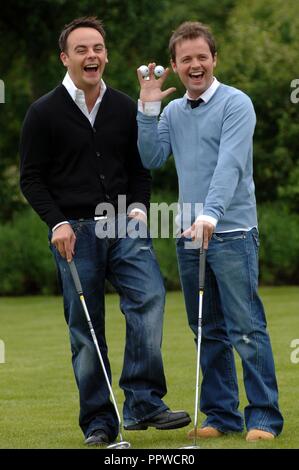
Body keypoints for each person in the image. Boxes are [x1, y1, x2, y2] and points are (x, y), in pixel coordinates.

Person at [20, 16, 190, 447]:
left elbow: (139, 170)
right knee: (85, 327)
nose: (91, 55)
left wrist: (136, 208)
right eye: (81, 49)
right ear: (66, 57)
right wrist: (56, 222)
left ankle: (143, 401)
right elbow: (31, 178)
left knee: (149, 297)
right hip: (73, 232)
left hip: (122, 223)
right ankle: (99, 421)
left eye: (97, 47)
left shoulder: (122, 107)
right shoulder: (43, 112)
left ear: (106, 54)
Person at [136, 21, 283, 441]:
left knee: (246, 329)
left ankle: (264, 418)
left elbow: (230, 165)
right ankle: (222, 415)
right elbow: (151, 157)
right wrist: (147, 108)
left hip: (232, 232)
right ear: (175, 66)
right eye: (186, 59)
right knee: (207, 330)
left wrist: (211, 215)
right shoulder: (174, 112)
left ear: (214, 59)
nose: (195, 64)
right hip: (189, 236)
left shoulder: (237, 104)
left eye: (202, 56)